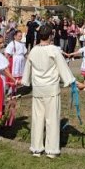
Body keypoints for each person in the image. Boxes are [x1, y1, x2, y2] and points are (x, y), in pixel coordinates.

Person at [22, 23, 76, 158]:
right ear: (50, 35)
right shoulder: (53, 50)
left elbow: (27, 69)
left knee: (37, 118)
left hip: (38, 88)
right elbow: (63, 67)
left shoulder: (33, 50)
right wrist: (71, 81)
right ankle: (51, 150)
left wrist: (26, 81)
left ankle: (36, 148)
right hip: (51, 88)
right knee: (51, 119)